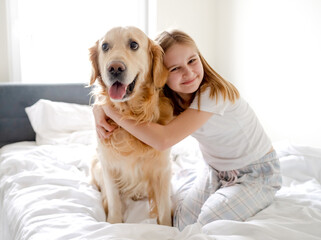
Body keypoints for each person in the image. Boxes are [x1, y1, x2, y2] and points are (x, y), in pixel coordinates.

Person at [93, 29, 282, 231]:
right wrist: (98, 107)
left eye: (192, 61)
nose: (188, 73)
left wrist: (108, 109)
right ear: (160, 73)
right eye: (174, 69)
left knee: (207, 221)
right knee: (182, 220)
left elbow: (163, 140)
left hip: (257, 174)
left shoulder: (214, 94)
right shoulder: (174, 95)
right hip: (216, 172)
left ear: (200, 57)